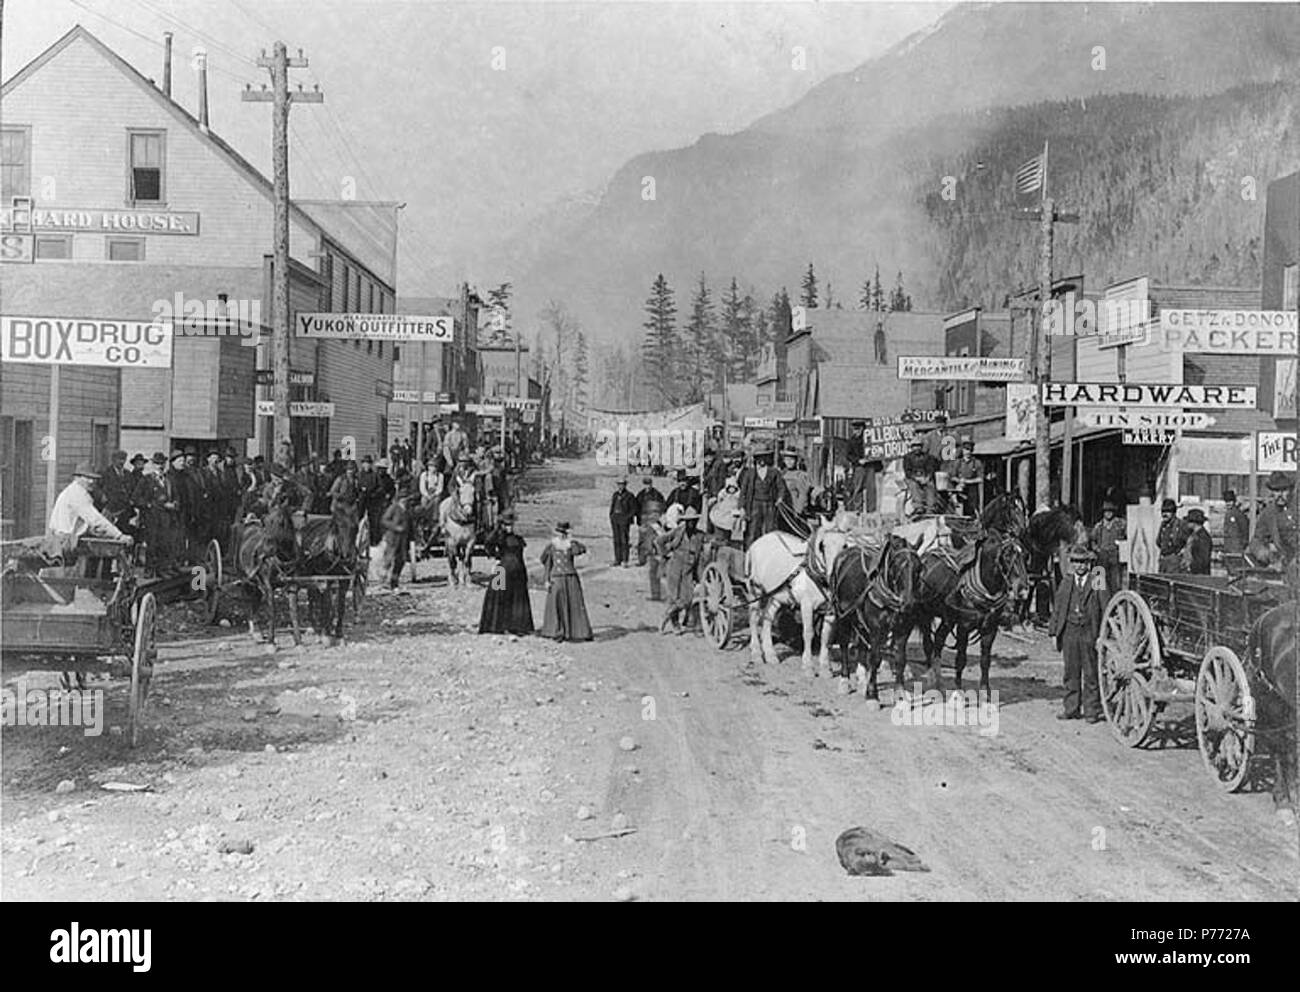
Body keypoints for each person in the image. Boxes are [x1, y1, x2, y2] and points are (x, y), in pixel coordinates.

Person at [1049, 544, 1105, 723]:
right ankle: (1071, 708)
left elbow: (1106, 607)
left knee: (1090, 673)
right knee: (1071, 672)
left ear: (1089, 563)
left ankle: (1091, 711)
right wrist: (1053, 632)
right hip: (1070, 632)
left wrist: (1103, 635)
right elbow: (1057, 609)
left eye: (1083, 562)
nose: (1080, 566)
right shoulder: (1066, 582)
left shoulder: (1097, 580)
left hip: (1090, 631)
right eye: (1076, 562)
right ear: (1071, 563)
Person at [47, 463, 132, 547]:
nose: (91, 481)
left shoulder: (75, 490)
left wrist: (90, 530)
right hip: (65, 540)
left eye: (94, 478)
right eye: (87, 478)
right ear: (77, 477)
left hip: (64, 537)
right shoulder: (77, 494)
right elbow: (95, 519)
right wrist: (118, 535)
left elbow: (79, 521)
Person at [478, 510, 534, 635]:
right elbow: (488, 544)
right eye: (507, 525)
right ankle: (496, 626)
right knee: (498, 597)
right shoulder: (498, 537)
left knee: (517, 597)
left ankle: (517, 626)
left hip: (517, 570)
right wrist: (496, 556)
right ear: (502, 525)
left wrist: (524, 573)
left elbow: (521, 556)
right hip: (502, 569)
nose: (510, 527)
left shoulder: (518, 539)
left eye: (511, 525)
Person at [539, 522, 593, 642]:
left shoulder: (570, 545)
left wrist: (573, 541)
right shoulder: (551, 546)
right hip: (556, 577)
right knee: (556, 604)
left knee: (574, 603)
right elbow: (547, 563)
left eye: (564, 533)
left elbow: (580, 550)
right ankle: (557, 632)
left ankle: (577, 632)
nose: (562, 535)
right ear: (556, 533)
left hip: (570, 577)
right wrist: (546, 580)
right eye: (560, 533)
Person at [661, 505, 705, 634]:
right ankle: (675, 624)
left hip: (688, 570)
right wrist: (664, 554)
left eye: (694, 521)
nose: (691, 523)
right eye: (689, 521)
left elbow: (708, 542)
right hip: (675, 568)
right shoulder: (677, 532)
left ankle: (668, 615)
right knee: (674, 597)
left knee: (687, 599)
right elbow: (659, 540)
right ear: (685, 521)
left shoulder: (699, 535)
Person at [738, 447, 790, 548]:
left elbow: (781, 487)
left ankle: (769, 551)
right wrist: (741, 507)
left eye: (764, 457)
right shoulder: (749, 473)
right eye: (759, 457)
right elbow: (743, 491)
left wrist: (780, 498)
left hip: (769, 504)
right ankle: (750, 551)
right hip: (753, 504)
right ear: (755, 459)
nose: (762, 460)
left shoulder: (774, 472)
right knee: (753, 530)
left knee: (770, 530)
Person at [1254, 471, 1297, 565]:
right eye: (1276, 491)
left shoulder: (1297, 509)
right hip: (1284, 565)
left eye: (1284, 490)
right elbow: (1257, 539)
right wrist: (1263, 552)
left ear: (1291, 490)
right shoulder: (1268, 513)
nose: (1280, 495)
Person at [1091, 499, 1126, 595]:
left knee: (1116, 583)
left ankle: (1116, 605)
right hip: (1102, 556)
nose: (1109, 513)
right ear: (1103, 513)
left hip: (1115, 556)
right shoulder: (1099, 526)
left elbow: (1127, 537)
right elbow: (1093, 541)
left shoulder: (1120, 524)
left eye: (1111, 511)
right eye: (1106, 511)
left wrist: (1122, 547)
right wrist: (1097, 549)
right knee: (1100, 583)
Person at [902, 437, 940, 518]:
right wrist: (916, 478)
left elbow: (930, 469)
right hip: (913, 477)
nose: (917, 448)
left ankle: (931, 508)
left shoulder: (928, 457)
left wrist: (927, 477)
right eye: (915, 446)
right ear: (912, 447)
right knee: (913, 485)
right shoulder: (907, 457)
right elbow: (907, 471)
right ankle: (918, 507)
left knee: (930, 485)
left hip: (925, 476)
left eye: (918, 446)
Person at [380, 491, 411, 589]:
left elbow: (411, 525)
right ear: (399, 500)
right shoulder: (393, 508)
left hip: (403, 539)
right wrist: (395, 527)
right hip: (393, 538)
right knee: (388, 559)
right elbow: (384, 520)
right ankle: (383, 581)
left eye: (406, 499)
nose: (405, 501)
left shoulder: (407, 510)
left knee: (401, 560)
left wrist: (412, 537)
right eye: (403, 499)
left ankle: (394, 581)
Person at [947, 437, 984, 514]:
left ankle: (972, 514)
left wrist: (967, 481)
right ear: (963, 450)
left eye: (970, 450)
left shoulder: (977, 463)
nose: (968, 452)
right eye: (966, 449)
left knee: (972, 500)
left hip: (972, 488)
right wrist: (960, 481)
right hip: (959, 487)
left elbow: (980, 479)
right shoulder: (958, 462)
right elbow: (952, 476)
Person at [635, 476, 665, 565]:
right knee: (642, 539)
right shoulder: (640, 494)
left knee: (653, 539)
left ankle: (654, 559)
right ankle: (641, 560)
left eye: (649, 484)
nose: (648, 486)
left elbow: (662, 505)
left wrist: (658, 517)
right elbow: (637, 507)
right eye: (646, 484)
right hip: (644, 519)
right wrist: (639, 519)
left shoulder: (657, 494)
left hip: (653, 519)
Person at [608, 478, 638, 566]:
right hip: (615, 519)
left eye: (622, 484)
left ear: (625, 485)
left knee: (624, 540)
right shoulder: (615, 495)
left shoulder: (629, 495)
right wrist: (611, 516)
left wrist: (627, 518)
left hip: (624, 520)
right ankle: (617, 559)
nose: (620, 486)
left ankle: (625, 560)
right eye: (619, 484)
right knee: (616, 540)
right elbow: (612, 506)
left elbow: (633, 509)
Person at [1157, 497, 1189, 574]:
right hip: (1163, 558)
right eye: (1163, 511)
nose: (1164, 514)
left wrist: (1181, 554)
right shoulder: (1163, 525)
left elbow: (1188, 541)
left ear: (1174, 512)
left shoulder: (1180, 524)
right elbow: (1158, 542)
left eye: (1168, 511)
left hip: (1174, 559)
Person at [780, 450, 811, 517]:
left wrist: (798, 511)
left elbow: (803, 494)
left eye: (792, 459)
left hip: (793, 510)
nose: (789, 462)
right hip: (782, 509)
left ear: (796, 461)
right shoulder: (781, 474)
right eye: (787, 459)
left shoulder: (800, 475)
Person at [1221, 488, 1250, 557]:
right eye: (1226, 501)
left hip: (1237, 546)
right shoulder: (1228, 513)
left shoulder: (1238, 514)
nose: (1228, 503)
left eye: (1230, 501)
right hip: (1229, 545)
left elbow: (1244, 529)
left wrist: (1243, 544)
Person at [1183, 508, 1212, 575]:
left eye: (1189, 521)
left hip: (1199, 574)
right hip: (1192, 573)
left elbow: (1203, 560)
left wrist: (1191, 566)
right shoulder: (1193, 535)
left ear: (1195, 522)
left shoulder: (1203, 537)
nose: (1187, 523)